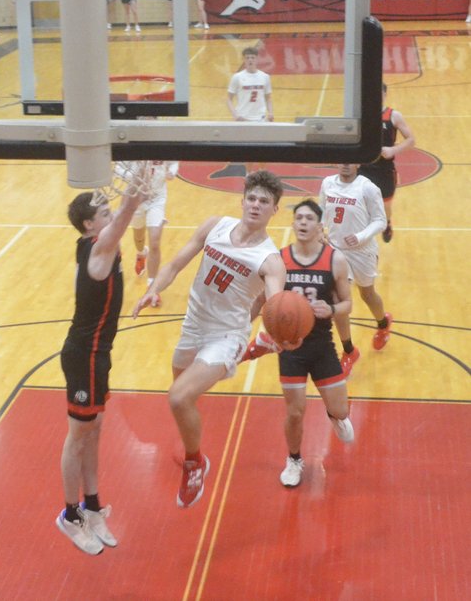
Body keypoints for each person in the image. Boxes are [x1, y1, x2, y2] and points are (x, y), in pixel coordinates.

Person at [133, 170, 293, 508]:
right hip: (193, 326)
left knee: (178, 398)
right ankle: (252, 351)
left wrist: (280, 328)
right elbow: (175, 264)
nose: (256, 205)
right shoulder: (215, 226)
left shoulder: (270, 261)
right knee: (182, 395)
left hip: (227, 335)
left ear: (274, 210)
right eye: (252, 198)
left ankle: (195, 464)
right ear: (242, 201)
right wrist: (153, 290)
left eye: (264, 201)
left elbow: (274, 303)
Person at [56, 182, 145, 556]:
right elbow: (122, 220)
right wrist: (133, 196)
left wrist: (139, 185)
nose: (111, 216)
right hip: (83, 356)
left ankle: (92, 507)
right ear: (90, 225)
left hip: (98, 357)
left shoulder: (101, 246)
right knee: (78, 436)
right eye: (104, 214)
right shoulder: (97, 249)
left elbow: (120, 220)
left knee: (95, 431)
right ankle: (69, 515)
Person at [242, 199, 354, 488]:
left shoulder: (335, 260)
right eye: (299, 218)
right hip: (289, 347)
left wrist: (331, 309)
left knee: (342, 411)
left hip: (322, 345)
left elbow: (348, 304)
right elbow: (261, 300)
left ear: (319, 226)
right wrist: (242, 328)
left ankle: (334, 414)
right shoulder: (278, 261)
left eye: (309, 218)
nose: (303, 222)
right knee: (294, 412)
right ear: (293, 224)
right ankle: (294, 459)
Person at [319, 164, 391, 376]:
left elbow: (380, 221)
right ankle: (349, 350)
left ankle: (383, 323)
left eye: (350, 160)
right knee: (338, 299)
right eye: (342, 160)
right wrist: (319, 231)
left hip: (362, 252)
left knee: (367, 294)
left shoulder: (367, 188)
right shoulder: (327, 183)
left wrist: (360, 236)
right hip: (336, 250)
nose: (345, 164)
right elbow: (321, 213)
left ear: (358, 163)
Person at [358, 83, 415, 243]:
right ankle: (363, 231)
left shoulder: (393, 116)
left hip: (384, 169)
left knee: (386, 205)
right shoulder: (362, 114)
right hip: (364, 167)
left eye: (379, 93)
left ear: (384, 94)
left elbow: (411, 140)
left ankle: (387, 223)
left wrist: (393, 150)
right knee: (360, 203)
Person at [132, 160, 180, 307]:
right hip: (136, 197)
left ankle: (152, 287)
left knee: (154, 242)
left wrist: (172, 172)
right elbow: (120, 167)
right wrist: (132, 175)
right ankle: (141, 253)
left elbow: (174, 161)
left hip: (157, 198)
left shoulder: (162, 147)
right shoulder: (131, 149)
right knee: (138, 236)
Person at [227, 46, 274, 122]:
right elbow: (229, 99)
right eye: (247, 58)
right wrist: (235, 115)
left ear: (257, 59)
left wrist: (271, 113)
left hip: (260, 118)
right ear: (243, 60)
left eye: (252, 57)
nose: (250, 60)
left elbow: (268, 98)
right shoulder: (237, 77)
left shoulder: (265, 77)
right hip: (242, 118)